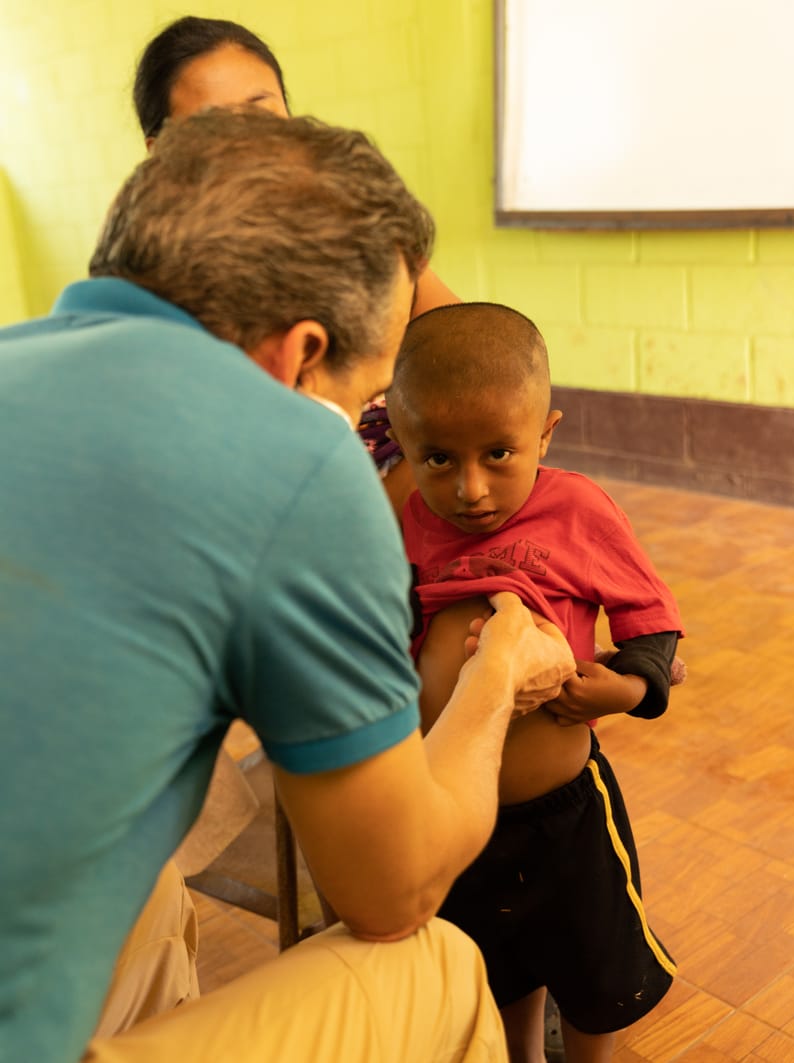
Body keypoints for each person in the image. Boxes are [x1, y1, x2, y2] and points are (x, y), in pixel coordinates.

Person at [0, 110, 577, 1063]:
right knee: (431, 964)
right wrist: (499, 669)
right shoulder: (298, 449)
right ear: (300, 355)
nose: (359, 427)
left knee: (145, 898)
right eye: (369, 398)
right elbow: (388, 891)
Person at [385, 302, 685, 1063]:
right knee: (497, 964)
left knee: (592, 968)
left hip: (567, 815)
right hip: (459, 807)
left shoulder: (577, 509)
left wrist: (621, 690)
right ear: (401, 438)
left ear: (545, 433)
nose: (470, 489)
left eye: (498, 453)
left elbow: (651, 621)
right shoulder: (409, 520)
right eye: (439, 458)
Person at [132, 13, 459, 515]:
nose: (253, 143)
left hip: (423, 497)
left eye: (261, 112)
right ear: (160, 154)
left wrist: (422, 483)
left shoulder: (358, 224)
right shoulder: (163, 290)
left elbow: (468, 354)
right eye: (214, 125)